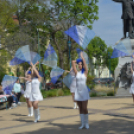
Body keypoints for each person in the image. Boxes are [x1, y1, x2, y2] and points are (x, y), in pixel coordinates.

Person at [72, 52, 90, 129]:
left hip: (84, 91)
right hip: (78, 91)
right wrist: (76, 61)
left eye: (81, 64)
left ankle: (86, 123)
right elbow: (73, 62)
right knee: (80, 108)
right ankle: (82, 124)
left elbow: (86, 67)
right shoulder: (77, 73)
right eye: (79, 64)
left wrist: (82, 58)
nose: (79, 65)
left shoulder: (85, 73)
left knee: (85, 108)